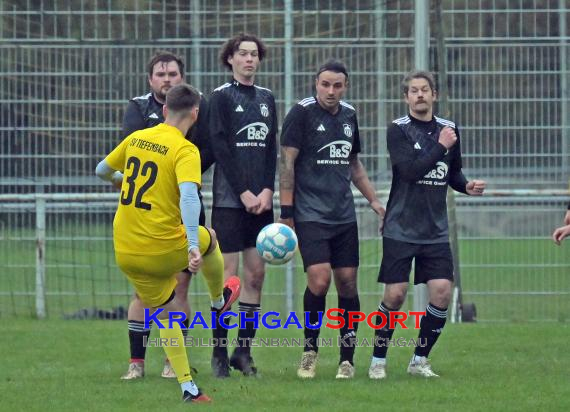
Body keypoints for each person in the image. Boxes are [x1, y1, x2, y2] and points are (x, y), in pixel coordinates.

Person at [96, 84, 229, 402]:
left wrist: (123, 181)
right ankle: (217, 300)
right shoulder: (186, 150)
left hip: (126, 251)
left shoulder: (137, 138)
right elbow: (188, 196)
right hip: (164, 248)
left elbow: (102, 170)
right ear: (195, 114)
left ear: (165, 110)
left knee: (167, 313)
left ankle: (188, 387)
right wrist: (193, 245)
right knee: (211, 238)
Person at [119, 51, 239, 380]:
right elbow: (125, 155)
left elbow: (208, 150)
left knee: (181, 290)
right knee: (142, 294)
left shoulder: (194, 108)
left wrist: (183, 174)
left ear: (181, 78)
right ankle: (136, 363)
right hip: (144, 218)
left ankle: (173, 363)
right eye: (161, 73)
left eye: (173, 73)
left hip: (183, 211)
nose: (167, 78)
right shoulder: (138, 109)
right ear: (150, 80)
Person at [367, 70, 486, 380]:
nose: (419, 95)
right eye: (413, 90)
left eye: (425, 90)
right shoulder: (398, 130)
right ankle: (378, 360)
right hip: (401, 227)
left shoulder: (449, 129)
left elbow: (452, 172)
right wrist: (440, 147)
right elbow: (408, 171)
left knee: (443, 292)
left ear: (434, 95)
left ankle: (419, 359)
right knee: (394, 295)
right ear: (406, 97)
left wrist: (466, 185)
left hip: (435, 230)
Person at [279, 59, 385, 379]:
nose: (331, 91)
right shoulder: (301, 113)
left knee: (348, 282)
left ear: (345, 86)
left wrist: (374, 200)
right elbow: (287, 165)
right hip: (309, 214)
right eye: (325, 84)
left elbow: (354, 165)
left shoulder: (350, 115)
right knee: (320, 280)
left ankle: (347, 359)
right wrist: (287, 215)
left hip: (343, 215)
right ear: (316, 84)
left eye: (337, 85)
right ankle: (310, 351)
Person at [208, 33, 277, 378]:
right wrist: (243, 193)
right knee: (228, 278)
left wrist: (266, 190)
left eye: (254, 54)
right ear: (230, 59)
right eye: (243, 54)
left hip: (261, 202)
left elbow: (270, 150)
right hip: (228, 202)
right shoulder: (219, 98)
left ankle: (243, 352)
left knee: (257, 275)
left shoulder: (267, 98)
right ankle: (219, 353)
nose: (249, 59)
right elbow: (220, 148)